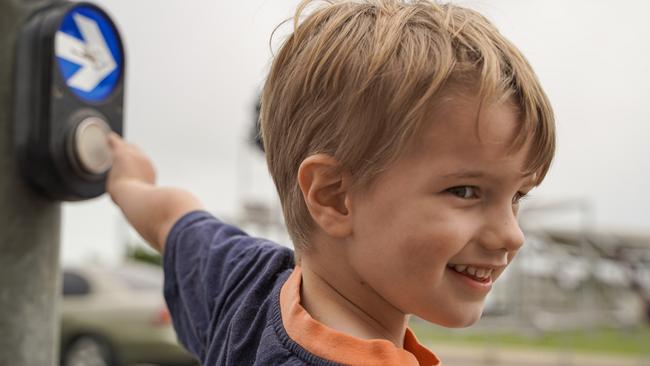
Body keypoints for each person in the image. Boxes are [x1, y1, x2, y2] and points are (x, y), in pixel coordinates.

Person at [107, 0, 556, 364]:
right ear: (334, 196)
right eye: (465, 191)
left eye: (516, 196)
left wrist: (127, 182)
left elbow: (171, 218)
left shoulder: (245, 285)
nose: (511, 234)